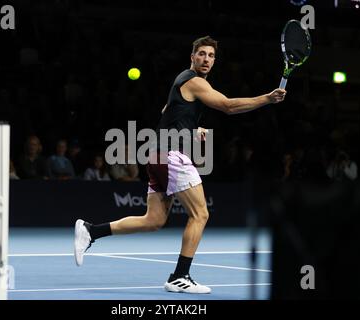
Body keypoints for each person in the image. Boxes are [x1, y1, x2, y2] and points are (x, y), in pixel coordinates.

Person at [74, 36, 286, 294]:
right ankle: (180, 276)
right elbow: (228, 106)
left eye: (211, 56)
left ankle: (91, 231)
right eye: (202, 54)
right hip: (171, 155)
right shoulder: (194, 81)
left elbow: (167, 112)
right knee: (200, 214)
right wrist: (267, 98)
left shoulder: (181, 82)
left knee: (153, 220)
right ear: (192, 56)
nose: (206, 59)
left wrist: (190, 130)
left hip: (157, 155)